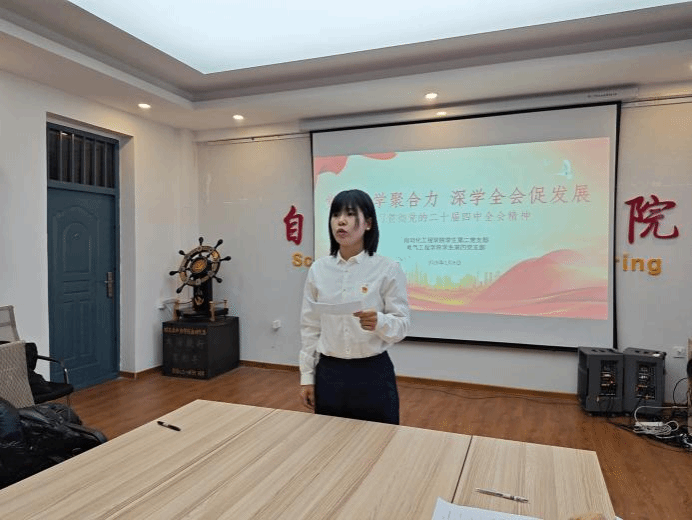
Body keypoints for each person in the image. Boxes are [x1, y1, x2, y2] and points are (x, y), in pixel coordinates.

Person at [299, 189, 410, 425]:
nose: (341, 221)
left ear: (368, 223)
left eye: (350, 214)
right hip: (329, 373)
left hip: (373, 374)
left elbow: (401, 326)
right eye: (335, 214)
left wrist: (379, 321)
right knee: (329, 439)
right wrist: (307, 377)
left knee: (379, 441)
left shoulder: (388, 269)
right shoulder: (319, 270)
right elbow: (310, 327)